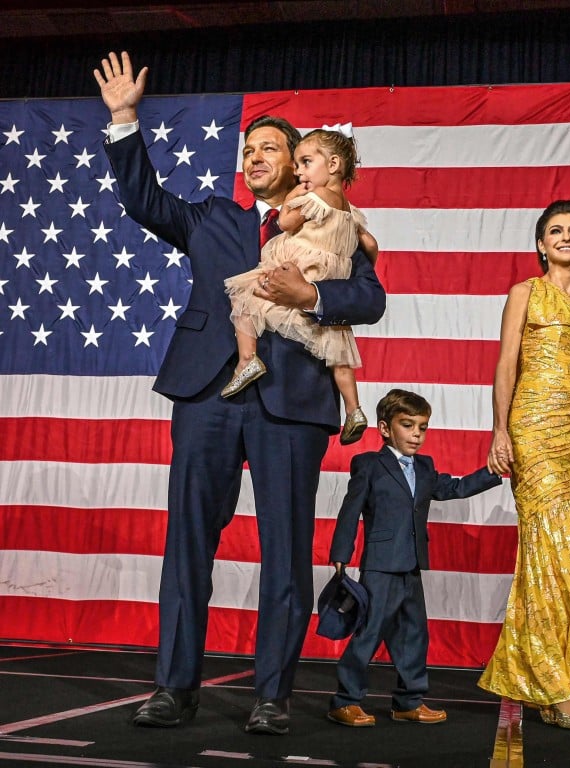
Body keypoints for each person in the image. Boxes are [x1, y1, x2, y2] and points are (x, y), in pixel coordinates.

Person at [93, 51, 386, 734]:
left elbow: (370, 299)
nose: (255, 156)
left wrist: (313, 295)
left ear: (300, 163)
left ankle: (271, 697)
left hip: (293, 401)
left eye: (270, 148)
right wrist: (124, 119)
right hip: (208, 395)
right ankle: (174, 688)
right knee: (188, 542)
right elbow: (143, 199)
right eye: (248, 149)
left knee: (285, 550)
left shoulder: (335, 220)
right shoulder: (214, 218)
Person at [478, 200, 570, 733]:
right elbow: (506, 364)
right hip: (533, 433)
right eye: (555, 231)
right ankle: (552, 685)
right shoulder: (525, 292)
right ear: (541, 244)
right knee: (546, 551)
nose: (565, 237)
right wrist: (499, 430)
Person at [326, 389, 502, 727]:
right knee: (369, 632)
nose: (416, 434)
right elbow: (350, 510)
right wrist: (341, 554)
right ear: (385, 428)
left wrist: (493, 471)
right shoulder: (369, 464)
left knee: (413, 633)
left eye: (422, 427)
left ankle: (408, 701)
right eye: (407, 425)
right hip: (380, 565)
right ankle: (345, 701)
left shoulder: (425, 467)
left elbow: (455, 488)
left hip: (412, 564)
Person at [221, 126, 376, 445]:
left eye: (306, 162)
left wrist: (292, 199)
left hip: (299, 265)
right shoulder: (350, 211)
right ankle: (354, 409)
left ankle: (248, 360)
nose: (299, 171)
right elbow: (370, 244)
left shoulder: (314, 197)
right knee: (338, 350)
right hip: (329, 274)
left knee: (246, 295)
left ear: (332, 165)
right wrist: (347, 266)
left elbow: (286, 222)